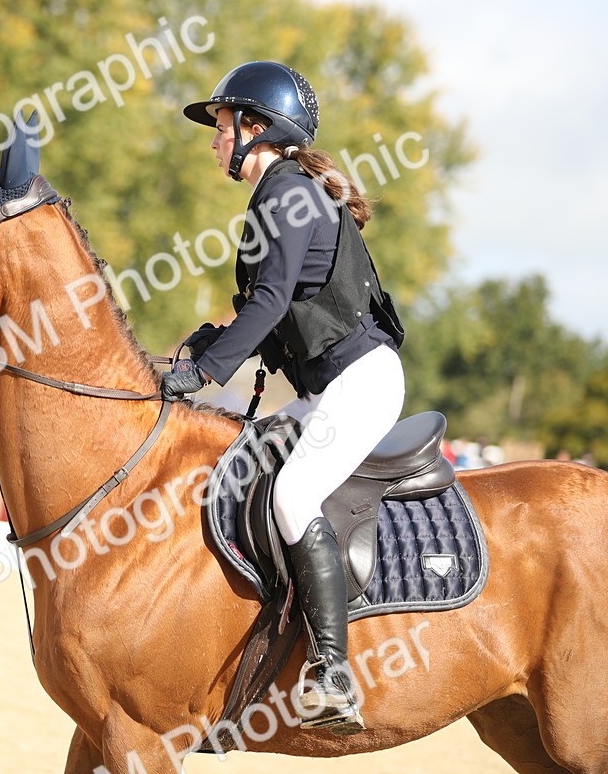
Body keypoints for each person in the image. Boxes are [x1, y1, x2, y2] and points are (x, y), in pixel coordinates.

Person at [160, 61, 406, 732]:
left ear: (256, 128)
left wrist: (204, 373)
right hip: (331, 383)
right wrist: (207, 343)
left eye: (221, 127)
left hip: (358, 383)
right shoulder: (285, 191)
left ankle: (332, 672)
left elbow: (269, 303)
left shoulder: (285, 193)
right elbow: (281, 313)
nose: (214, 140)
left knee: (293, 494)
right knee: (239, 466)